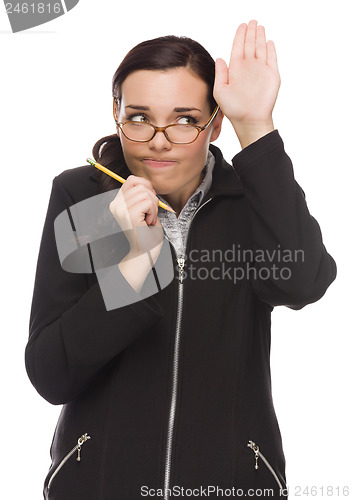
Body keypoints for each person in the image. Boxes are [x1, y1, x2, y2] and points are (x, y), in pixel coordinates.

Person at [26, 20, 337, 500]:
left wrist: (255, 130)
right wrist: (132, 263)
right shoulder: (87, 199)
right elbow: (52, 373)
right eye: (139, 116)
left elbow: (301, 283)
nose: (159, 139)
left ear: (214, 124)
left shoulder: (250, 199)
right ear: (116, 114)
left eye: (186, 119)